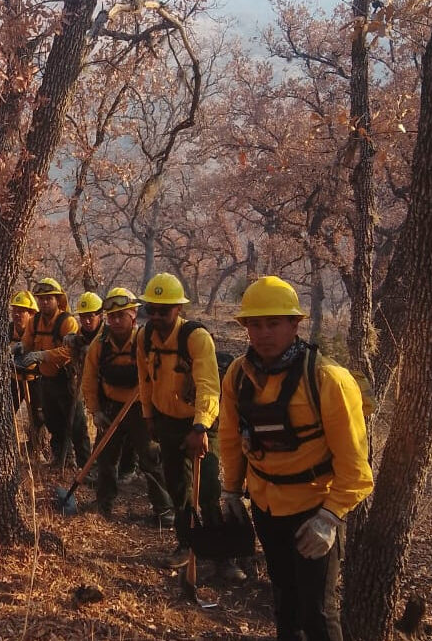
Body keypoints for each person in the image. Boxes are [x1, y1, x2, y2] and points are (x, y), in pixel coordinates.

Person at [219, 276, 373, 640]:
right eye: (255, 324)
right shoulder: (238, 375)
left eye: (273, 323)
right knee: (285, 604)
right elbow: (230, 436)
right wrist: (230, 489)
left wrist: (330, 517)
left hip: (314, 511)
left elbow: (356, 467)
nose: (263, 333)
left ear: (295, 324)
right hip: (266, 507)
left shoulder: (328, 379)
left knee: (317, 612)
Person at [137, 272, 245, 581]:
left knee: (207, 488)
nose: (157, 316)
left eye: (164, 310)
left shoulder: (196, 338)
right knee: (178, 488)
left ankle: (223, 557)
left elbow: (209, 385)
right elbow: (145, 380)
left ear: (179, 309)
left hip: (200, 422)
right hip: (165, 421)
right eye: (152, 309)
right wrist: (148, 417)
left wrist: (200, 428)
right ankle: (186, 544)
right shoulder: (144, 337)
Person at [82, 288, 173, 525]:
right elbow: (89, 380)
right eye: (112, 316)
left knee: (150, 458)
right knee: (105, 458)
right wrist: (96, 411)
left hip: (142, 410)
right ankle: (103, 504)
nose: (116, 321)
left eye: (121, 315)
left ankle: (164, 510)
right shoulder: (100, 345)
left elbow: (161, 373)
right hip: (110, 409)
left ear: (133, 315)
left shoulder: (146, 341)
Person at [20, 278, 90, 469]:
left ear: (58, 300)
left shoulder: (67, 321)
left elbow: (70, 351)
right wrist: (19, 348)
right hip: (45, 381)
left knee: (76, 424)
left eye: (48, 298)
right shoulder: (34, 321)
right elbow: (26, 342)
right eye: (41, 299)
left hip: (66, 381)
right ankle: (61, 459)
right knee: (52, 422)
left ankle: (86, 465)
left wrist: (43, 355)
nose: (44, 302)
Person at [9, 290, 48, 460]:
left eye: (21, 311)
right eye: (15, 310)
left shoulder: (39, 331)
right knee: (6, 413)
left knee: (39, 416)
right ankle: (9, 449)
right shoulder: (8, 330)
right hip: (14, 380)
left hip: (35, 380)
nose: (17, 314)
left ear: (31, 314)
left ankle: (38, 449)